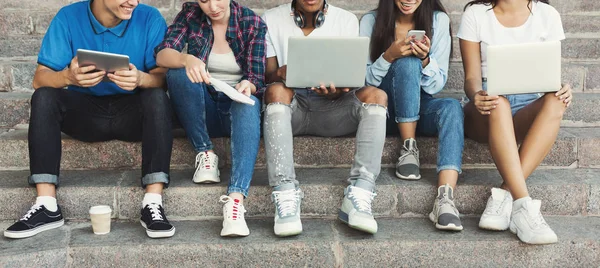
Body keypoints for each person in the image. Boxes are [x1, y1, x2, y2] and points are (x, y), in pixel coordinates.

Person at [3, 0, 175, 239]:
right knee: (44, 97)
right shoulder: (68, 17)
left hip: (133, 115)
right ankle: (46, 205)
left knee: (157, 97)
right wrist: (68, 77)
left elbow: (162, 80)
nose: (133, 2)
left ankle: (153, 202)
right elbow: (39, 79)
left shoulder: (149, 17)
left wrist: (141, 79)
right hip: (86, 117)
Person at [261, 0, 388, 236]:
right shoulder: (270, 18)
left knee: (377, 96)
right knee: (276, 90)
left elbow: (353, 78)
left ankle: (360, 192)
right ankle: (285, 191)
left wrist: (338, 90)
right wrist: (280, 73)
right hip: (292, 108)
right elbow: (267, 77)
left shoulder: (346, 20)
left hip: (334, 109)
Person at [458, 0, 572, 244]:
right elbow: (471, 78)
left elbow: (550, 74)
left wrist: (562, 88)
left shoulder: (547, 14)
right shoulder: (476, 13)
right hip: (488, 104)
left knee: (556, 101)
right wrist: (477, 95)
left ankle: (505, 196)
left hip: (528, 102)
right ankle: (524, 205)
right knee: (499, 102)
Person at [155, 0, 266, 237]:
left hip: (236, 112)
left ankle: (235, 200)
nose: (213, 6)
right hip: (201, 108)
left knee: (250, 103)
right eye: (204, 1)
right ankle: (205, 152)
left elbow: (257, 76)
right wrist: (186, 59)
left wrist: (249, 84)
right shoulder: (190, 15)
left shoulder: (251, 22)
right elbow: (163, 55)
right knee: (177, 73)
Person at [361, 0, 464, 231]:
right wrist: (389, 56)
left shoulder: (438, 20)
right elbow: (363, 81)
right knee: (406, 61)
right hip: (383, 110)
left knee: (452, 108)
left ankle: (445, 199)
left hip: (420, 105)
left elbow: (437, 85)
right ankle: (409, 148)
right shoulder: (370, 21)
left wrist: (425, 60)